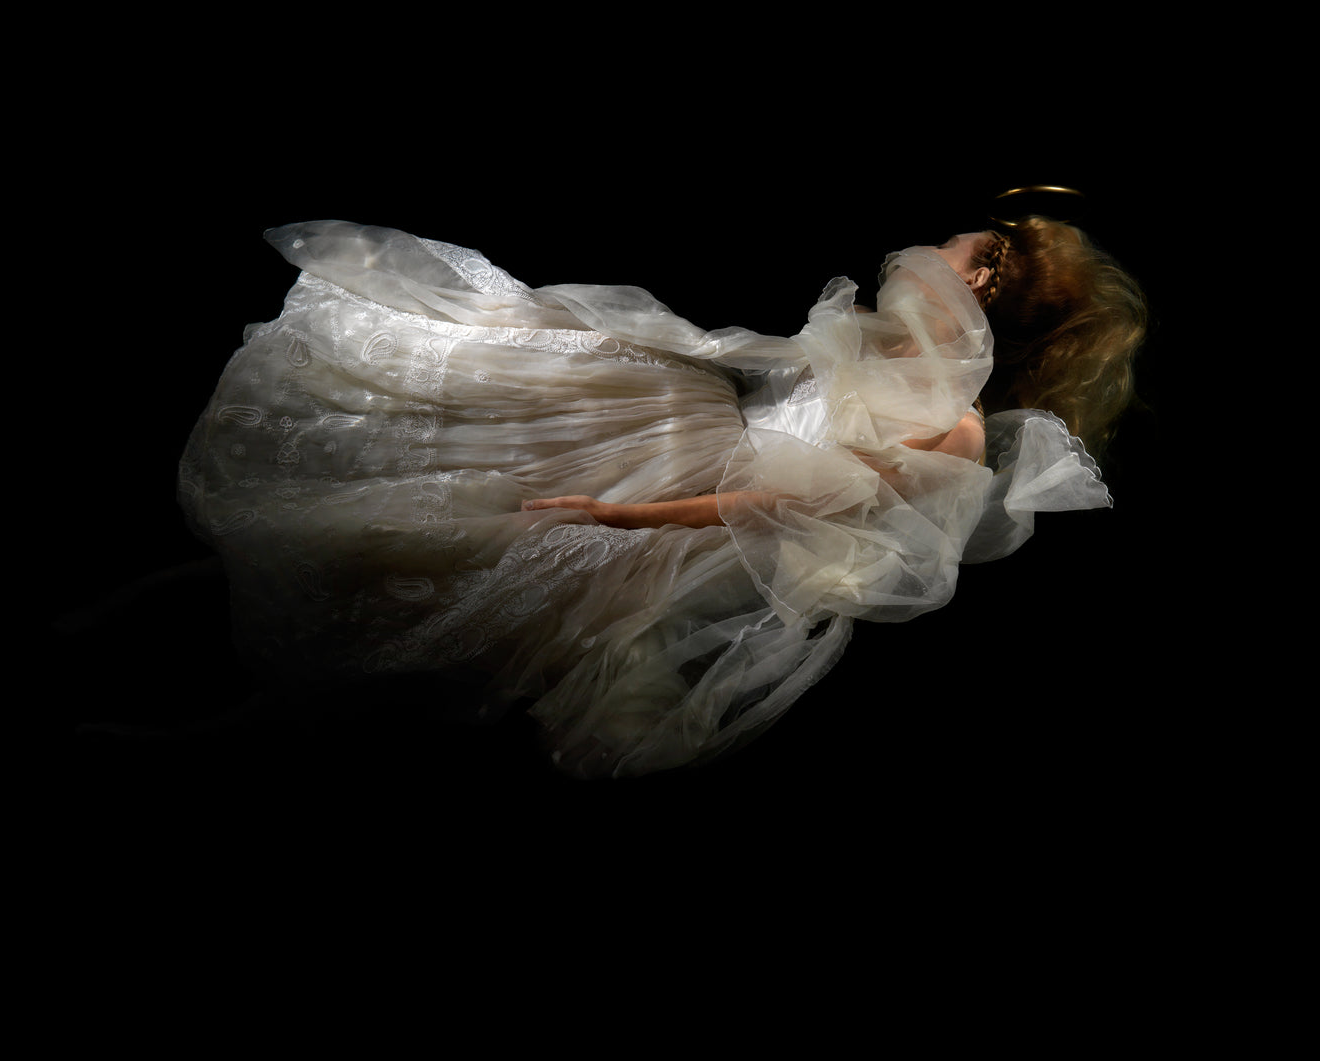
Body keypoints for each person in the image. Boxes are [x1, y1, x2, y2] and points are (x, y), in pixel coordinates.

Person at [177, 216, 1146, 778]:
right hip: (689, 444)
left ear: (978, 275)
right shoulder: (890, 340)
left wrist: (622, 516)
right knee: (493, 381)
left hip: (701, 514)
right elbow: (771, 387)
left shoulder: (958, 429)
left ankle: (246, 724)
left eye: (961, 241)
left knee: (471, 576)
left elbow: (784, 503)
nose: (938, 242)